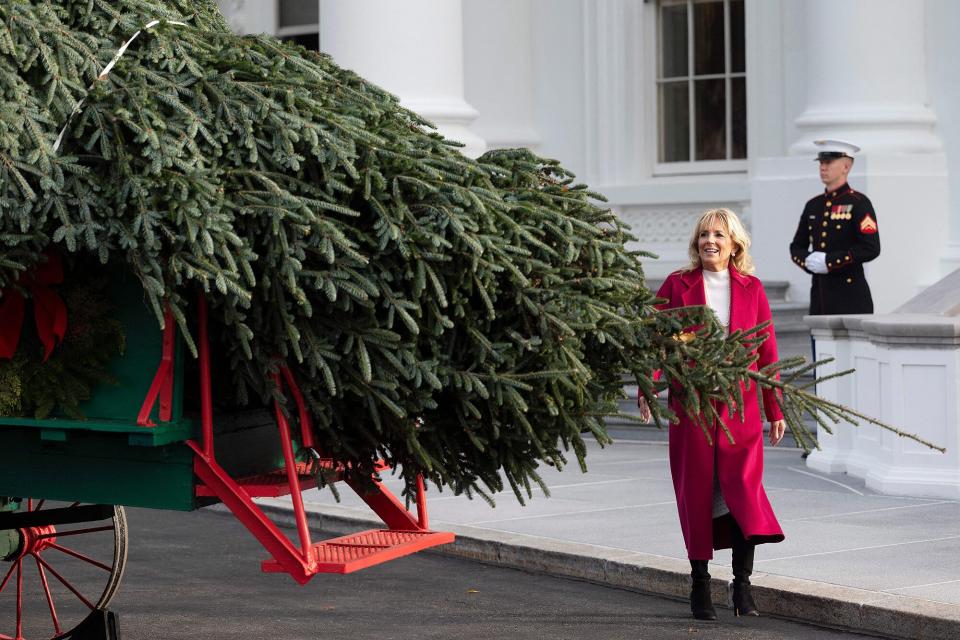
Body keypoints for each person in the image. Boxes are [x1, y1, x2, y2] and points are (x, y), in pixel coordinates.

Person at [638, 208, 786, 621]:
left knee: (743, 493)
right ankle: (700, 586)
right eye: (704, 234)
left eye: (719, 234)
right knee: (696, 493)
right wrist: (650, 385)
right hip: (692, 405)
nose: (710, 241)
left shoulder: (752, 289)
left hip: (739, 408)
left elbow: (767, 352)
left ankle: (743, 588)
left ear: (734, 243)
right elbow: (657, 342)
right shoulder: (677, 284)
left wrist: (774, 408)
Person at [789, 139, 880, 315]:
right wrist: (808, 260)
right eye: (821, 162)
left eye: (829, 162)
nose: (823, 167)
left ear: (846, 167)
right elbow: (796, 247)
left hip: (851, 299)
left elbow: (871, 248)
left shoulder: (859, 203)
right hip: (820, 298)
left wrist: (830, 261)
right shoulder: (813, 205)